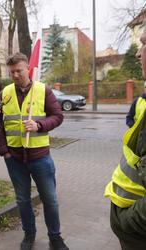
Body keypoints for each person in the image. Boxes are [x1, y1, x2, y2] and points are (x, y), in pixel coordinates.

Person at [0, 52, 69, 250]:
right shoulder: (5, 93)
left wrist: (39, 125)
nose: (16, 75)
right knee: (22, 199)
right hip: (15, 159)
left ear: (27, 68)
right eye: (12, 72)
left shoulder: (43, 90)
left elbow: (58, 116)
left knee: (50, 199)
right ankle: (29, 235)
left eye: (19, 70)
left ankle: (55, 237)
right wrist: (5, 151)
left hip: (40, 157)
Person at [104, 24, 146, 250]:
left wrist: (125, 222)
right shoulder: (140, 100)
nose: (138, 53)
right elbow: (130, 119)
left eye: (144, 43)